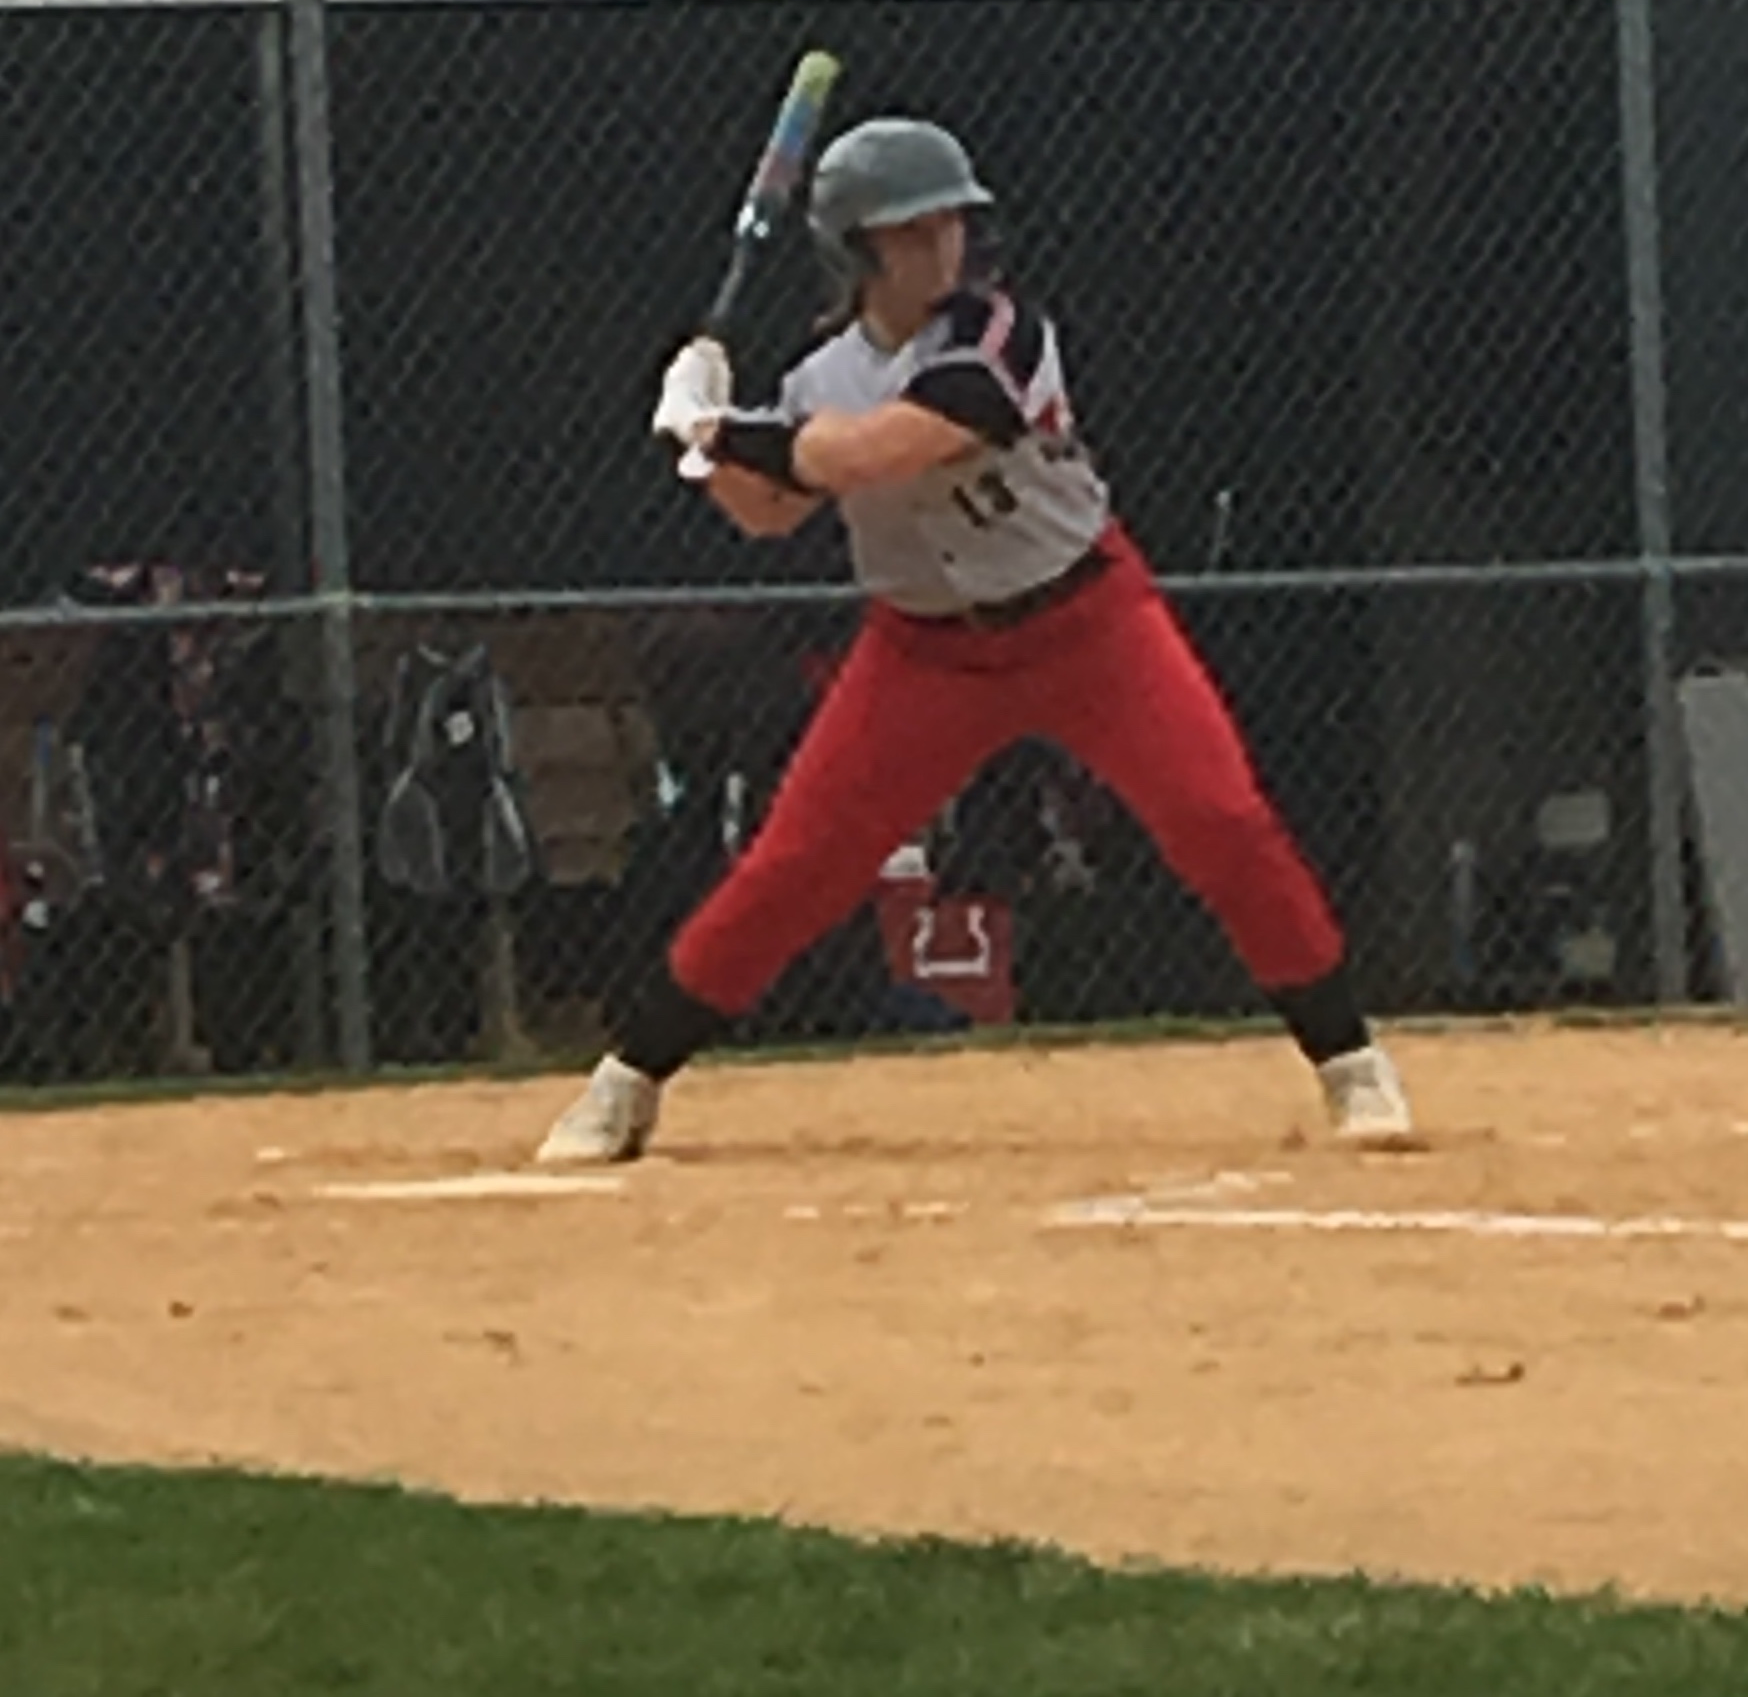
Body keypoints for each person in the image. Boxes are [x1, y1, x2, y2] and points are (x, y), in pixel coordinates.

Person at [536, 118, 1412, 1163]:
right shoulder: (818, 381)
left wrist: (730, 432)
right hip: (925, 651)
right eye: (910, 232)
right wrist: (696, 434)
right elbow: (766, 512)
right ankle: (627, 1079)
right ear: (857, 249)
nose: (940, 248)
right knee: (795, 866)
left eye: (950, 223)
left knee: (1218, 818)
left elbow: (888, 448)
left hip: (1087, 622)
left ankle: (1350, 1065)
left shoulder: (1003, 335)